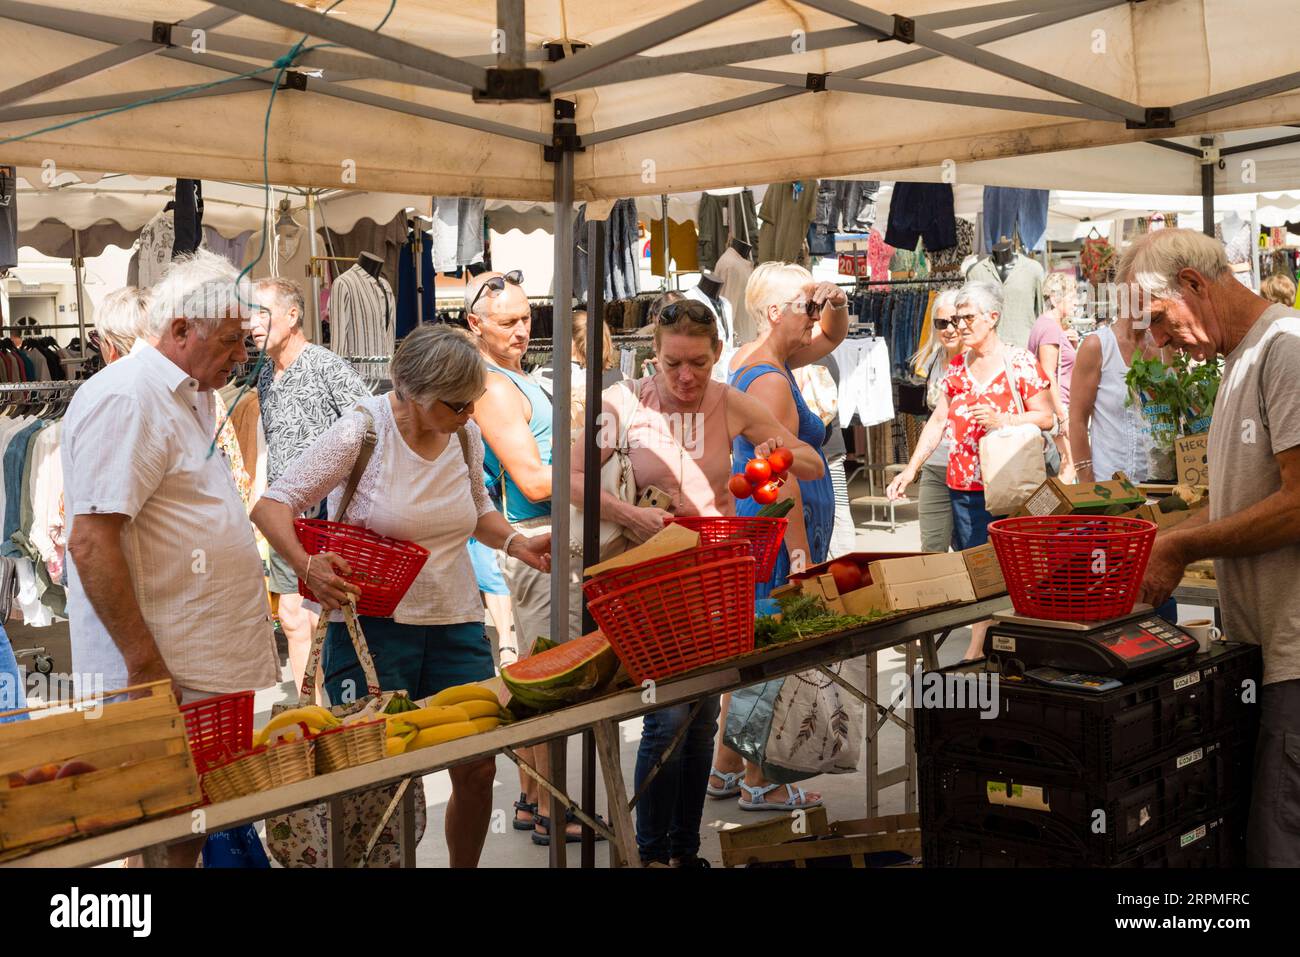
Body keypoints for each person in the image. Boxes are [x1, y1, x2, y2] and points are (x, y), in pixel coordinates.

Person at [251, 324, 549, 869]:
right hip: (371, 633)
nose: (467, 413)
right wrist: (306, 565)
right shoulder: (361, 432)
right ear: (410, 393)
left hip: (457, 623)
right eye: (455, 404)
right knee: (378, 780)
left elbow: (478, 510)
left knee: (478, 765)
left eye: (472, 403)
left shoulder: (464, 434)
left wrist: (517, 542)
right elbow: (272, 506)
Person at [571, 292, 823, 866]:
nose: (686, 377)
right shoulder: (622, 403)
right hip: (649, 580)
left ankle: (684, 851)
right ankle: (650, 853)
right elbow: (571, 477)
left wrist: (777, 450)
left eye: (699, 364)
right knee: (665, 717)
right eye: (673, 364)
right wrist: (629, 514)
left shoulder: (729, 401)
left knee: (704, 715)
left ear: (716, 355)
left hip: (714, 578)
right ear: (652, 356)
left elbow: (809, 460)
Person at [64, 252, 279, 868]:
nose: (242, 357)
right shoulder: (129, 397)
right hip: (165, 670)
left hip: (198, 663)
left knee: (186, 825)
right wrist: (143, 663)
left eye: (245, 341)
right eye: (232, 341)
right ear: (181, 330)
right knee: (164, 826)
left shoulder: (189, 392)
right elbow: (90, 541)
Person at [1125, 228, 1300, 867]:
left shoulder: (1285, 349)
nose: (1161, 340)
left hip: (1295, 655)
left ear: (1197, 285)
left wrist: (1179, 548)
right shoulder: (1242, 357)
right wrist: (1154, 535)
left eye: (1163, 319)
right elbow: (1238, 499)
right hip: (1265, 651)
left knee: (1279, 847)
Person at [711, 263, 846, 814]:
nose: (815, 319)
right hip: (774, 524)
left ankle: (724, 769)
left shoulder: (763, 357)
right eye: (805, 308)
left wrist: (831, 299)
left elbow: (835, 335)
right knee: (771, 651)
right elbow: (779, 473)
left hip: (759, 521)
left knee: (752, 644)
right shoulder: (770, 377)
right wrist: (799, 553)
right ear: (774, 313)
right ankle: (760, 780)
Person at [463, 270, 582, 846]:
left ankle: (536, 801)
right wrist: (599, 468)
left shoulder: (521, 378)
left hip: (543, 536)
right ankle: (548, 806)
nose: (520, 330)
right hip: (530, 536)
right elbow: (533, 481)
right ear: (475, 324)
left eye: (526, 318)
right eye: (507, 322)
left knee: (539, 671)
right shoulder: (491, 386)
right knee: (541, 678)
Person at [887, 282, 1053, 660]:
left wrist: (1002, 418)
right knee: (980, 565)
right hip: (963, 485)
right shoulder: (957, 368)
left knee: (1012, 563)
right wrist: (911, 469)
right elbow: (938, 421)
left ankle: (979, 648)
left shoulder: (1019, 362)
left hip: (1010, 482)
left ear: (992, 318)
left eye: (967, 317)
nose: (958, 325)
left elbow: (1046, 415)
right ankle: (987, 640)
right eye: (955, 318)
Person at [250, 276, 369, 697]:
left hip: (327, 519)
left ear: (293, 314)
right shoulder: (264, 374)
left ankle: (330, 707)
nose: (252, 324)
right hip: (284, 518)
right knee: (292, 617)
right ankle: (309, 709)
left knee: (319, 616)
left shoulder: (327, 366)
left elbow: (370, 428)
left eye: (261, 312)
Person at [1068, 290, 1168, 484]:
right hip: (1110, 487)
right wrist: (1090, 487)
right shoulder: (1098, 345)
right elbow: (1077, 421)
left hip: (1161, 488)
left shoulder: (1163, 347)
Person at [910, 289, 963, 553]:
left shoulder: (979, 361)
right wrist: (913, 467)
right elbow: (935, 419)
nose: (950, 329)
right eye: (942, 323)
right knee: (931, 550)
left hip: (973, 472)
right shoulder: (931, 360)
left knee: (972, 552)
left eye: (955, 320)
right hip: (936, 467)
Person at [1028, 272, 1080, 482]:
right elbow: (1048, 373)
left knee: (1067, 463)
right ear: (1057, 299)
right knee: (1071, 463)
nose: (1076, 302)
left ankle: (1051, 513)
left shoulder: (1049, 325)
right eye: (1073, 297)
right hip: (1058, 406)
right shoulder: (1050, 328)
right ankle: (1051, 514)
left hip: (1056, 405)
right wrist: (1063, 415)